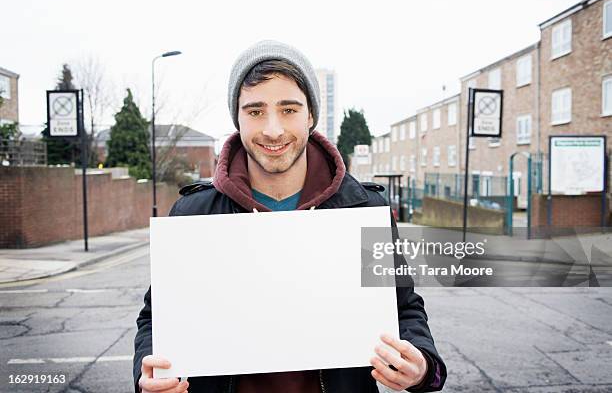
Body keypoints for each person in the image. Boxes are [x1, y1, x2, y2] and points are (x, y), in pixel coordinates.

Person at [133, 40, 446, 393]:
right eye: (254, 111)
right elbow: (156, 320)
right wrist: (147, 377)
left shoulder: (363, 210)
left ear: (310, 115)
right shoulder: (193, 215)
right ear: (237, 118)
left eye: (288, 109)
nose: (273, 129)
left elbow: (403, 309)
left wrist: (423, 366)